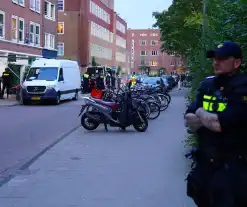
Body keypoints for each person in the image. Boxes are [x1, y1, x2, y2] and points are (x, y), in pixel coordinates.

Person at [185, 41, 247, 206]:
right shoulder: (207, 84)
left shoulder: (243, 87)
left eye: (222, 58)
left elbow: (220, 124)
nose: (216, 62)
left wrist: (200, 113)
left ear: (237, 62)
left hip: (232, 169)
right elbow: (189, 121)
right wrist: (207, 119)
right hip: (205, 166)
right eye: (214, 58)